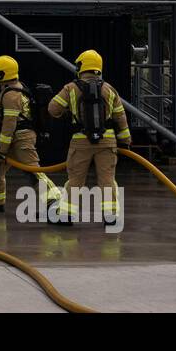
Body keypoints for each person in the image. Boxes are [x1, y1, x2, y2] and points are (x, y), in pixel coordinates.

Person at [47, 49, 131, 224]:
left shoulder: (71, 88)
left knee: (76, 179)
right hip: (107, 142)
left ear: (81, 66)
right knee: (107, 179)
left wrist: (66, 113)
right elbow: (120, 117)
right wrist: (125, 141)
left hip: (81, 141)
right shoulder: (109, 89)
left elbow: (53, 109)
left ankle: (66, 215)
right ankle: (111, 216)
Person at [0, 55, 63, 217]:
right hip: (16, 137)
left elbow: (9, 125)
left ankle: (55, 202)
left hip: (21, 138)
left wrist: (1, 150)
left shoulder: (10, 94)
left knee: (33, 172)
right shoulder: (11, 90)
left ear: (2, 74)